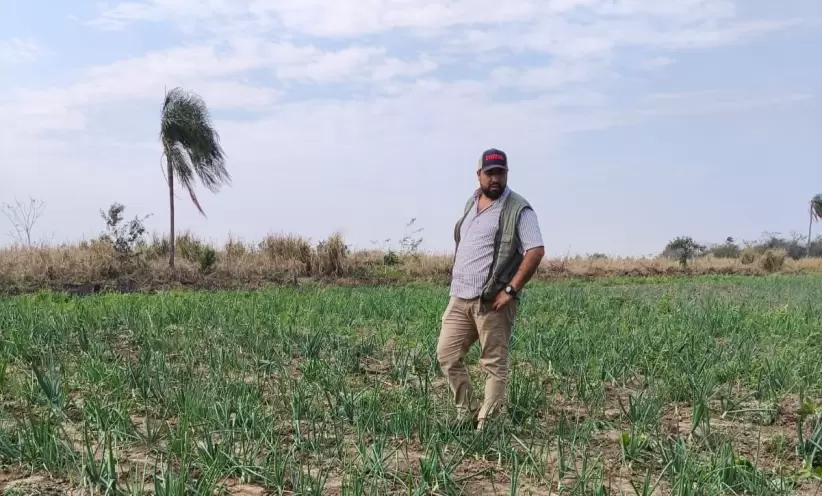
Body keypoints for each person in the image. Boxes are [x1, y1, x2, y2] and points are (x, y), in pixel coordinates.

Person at [436, 147, 545, 430]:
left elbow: (535, 250)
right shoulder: (471, 204)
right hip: (460, 297)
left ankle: (489, 424)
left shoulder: (518, 209)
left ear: (507, 174)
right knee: (446, 355)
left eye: (501, 172)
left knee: (493, 363)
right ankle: (468, 412)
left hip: (492, 300)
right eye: (490, 173)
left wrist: (510, 290)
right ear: (479, 175)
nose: (495, 178)